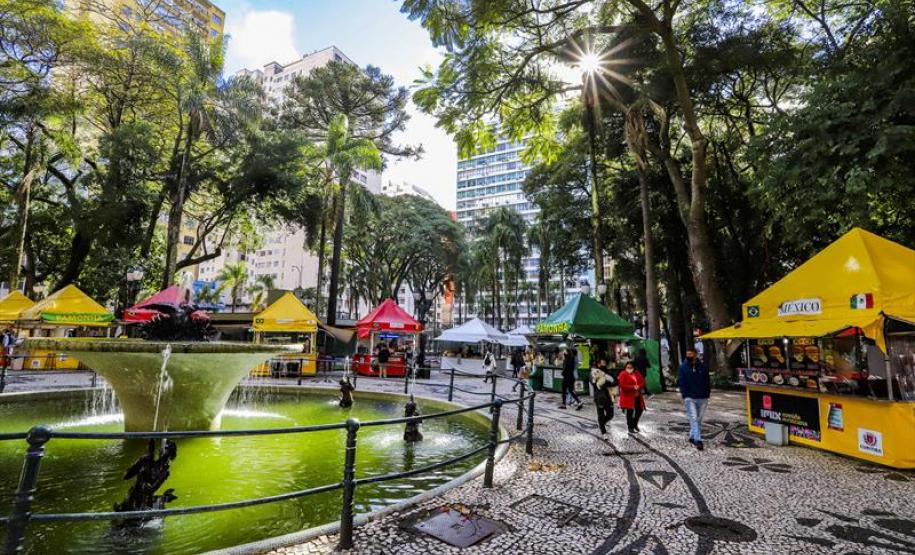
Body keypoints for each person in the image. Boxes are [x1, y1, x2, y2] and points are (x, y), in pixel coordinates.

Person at [678, 348, 711, 451]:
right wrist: (685, 394)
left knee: (698, 419)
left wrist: (707, 393)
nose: (689, 356)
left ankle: (692, 436)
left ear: (695, 355)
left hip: (702, 397)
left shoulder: (703, 367)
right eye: (687, 354)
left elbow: (707, 381)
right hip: (689, 398)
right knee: (693, 418)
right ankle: (698, 440)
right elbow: (681, 381)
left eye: (691, 354)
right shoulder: (683, 367)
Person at [590, 358, 617, 437]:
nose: (604, 363)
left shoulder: (608, 372)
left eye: (605, 362)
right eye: (602, 362)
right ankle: (603, 431)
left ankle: (602, 424)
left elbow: (615, 382)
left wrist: (607, 382)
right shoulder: (593, 372)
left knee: (610, 414)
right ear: (598, 364)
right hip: (599, 397)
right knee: (600, 414)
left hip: (609, 396)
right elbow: (594, 383)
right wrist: (607, 383)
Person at [618, 361, 646, 433]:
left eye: (631, 367)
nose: (629, 369)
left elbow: (643, 382)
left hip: (637, 396)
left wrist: (639, 386)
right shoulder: (623, 374)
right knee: (629, 412)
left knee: (640, 410)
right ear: (625, 367)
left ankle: (634, 424)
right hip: (628, 397)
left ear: (633, 368)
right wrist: (632, 387)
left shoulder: (637, 373)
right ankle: (630, 427)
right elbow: (622, 385)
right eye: (628, 367)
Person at [559, 344, 583, 410]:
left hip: (567, 377)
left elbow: (565, 368)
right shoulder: (572, 358)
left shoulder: (567, 359)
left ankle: (564, 404)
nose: (564, 352)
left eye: (565, 351)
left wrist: (562, 373)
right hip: (571, 377)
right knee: (571, 390)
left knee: (564, 391)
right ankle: (579, 402)